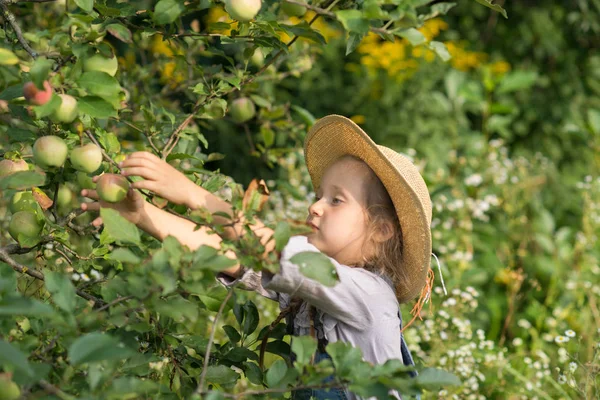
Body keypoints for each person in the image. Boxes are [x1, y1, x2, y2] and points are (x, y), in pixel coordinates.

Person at [81, 115, 443, 400]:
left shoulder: (368, 294)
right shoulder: (311, 292)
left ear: (381, 230)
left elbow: (270, 248)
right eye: (318, 195)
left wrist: (194, 195)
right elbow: (226, 256)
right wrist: (142, 216)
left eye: (336, 200)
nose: (314, 207)